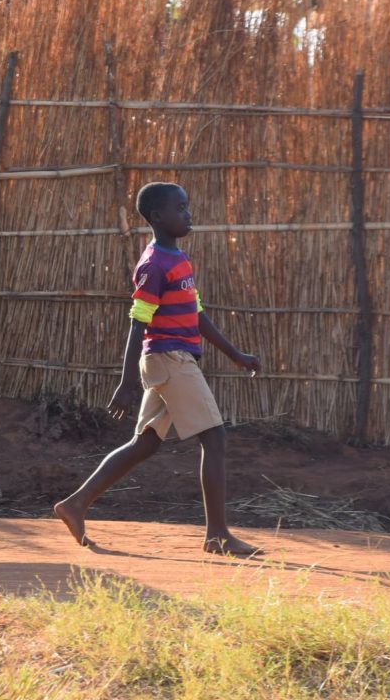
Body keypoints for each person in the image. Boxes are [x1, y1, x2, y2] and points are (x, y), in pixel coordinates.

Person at [54, 182, 262, 555]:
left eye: (187, 207)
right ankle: (217, 536)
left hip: (173, 359)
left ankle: (76, 504)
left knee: (145, 444)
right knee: (214, 439)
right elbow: (138, 322)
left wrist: (235, 354)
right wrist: (126, 382)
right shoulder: (153, 265)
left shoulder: (179, 259)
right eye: (180, 208)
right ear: (158, 217)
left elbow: (196, 314)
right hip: (169, 359)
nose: (188, 214)